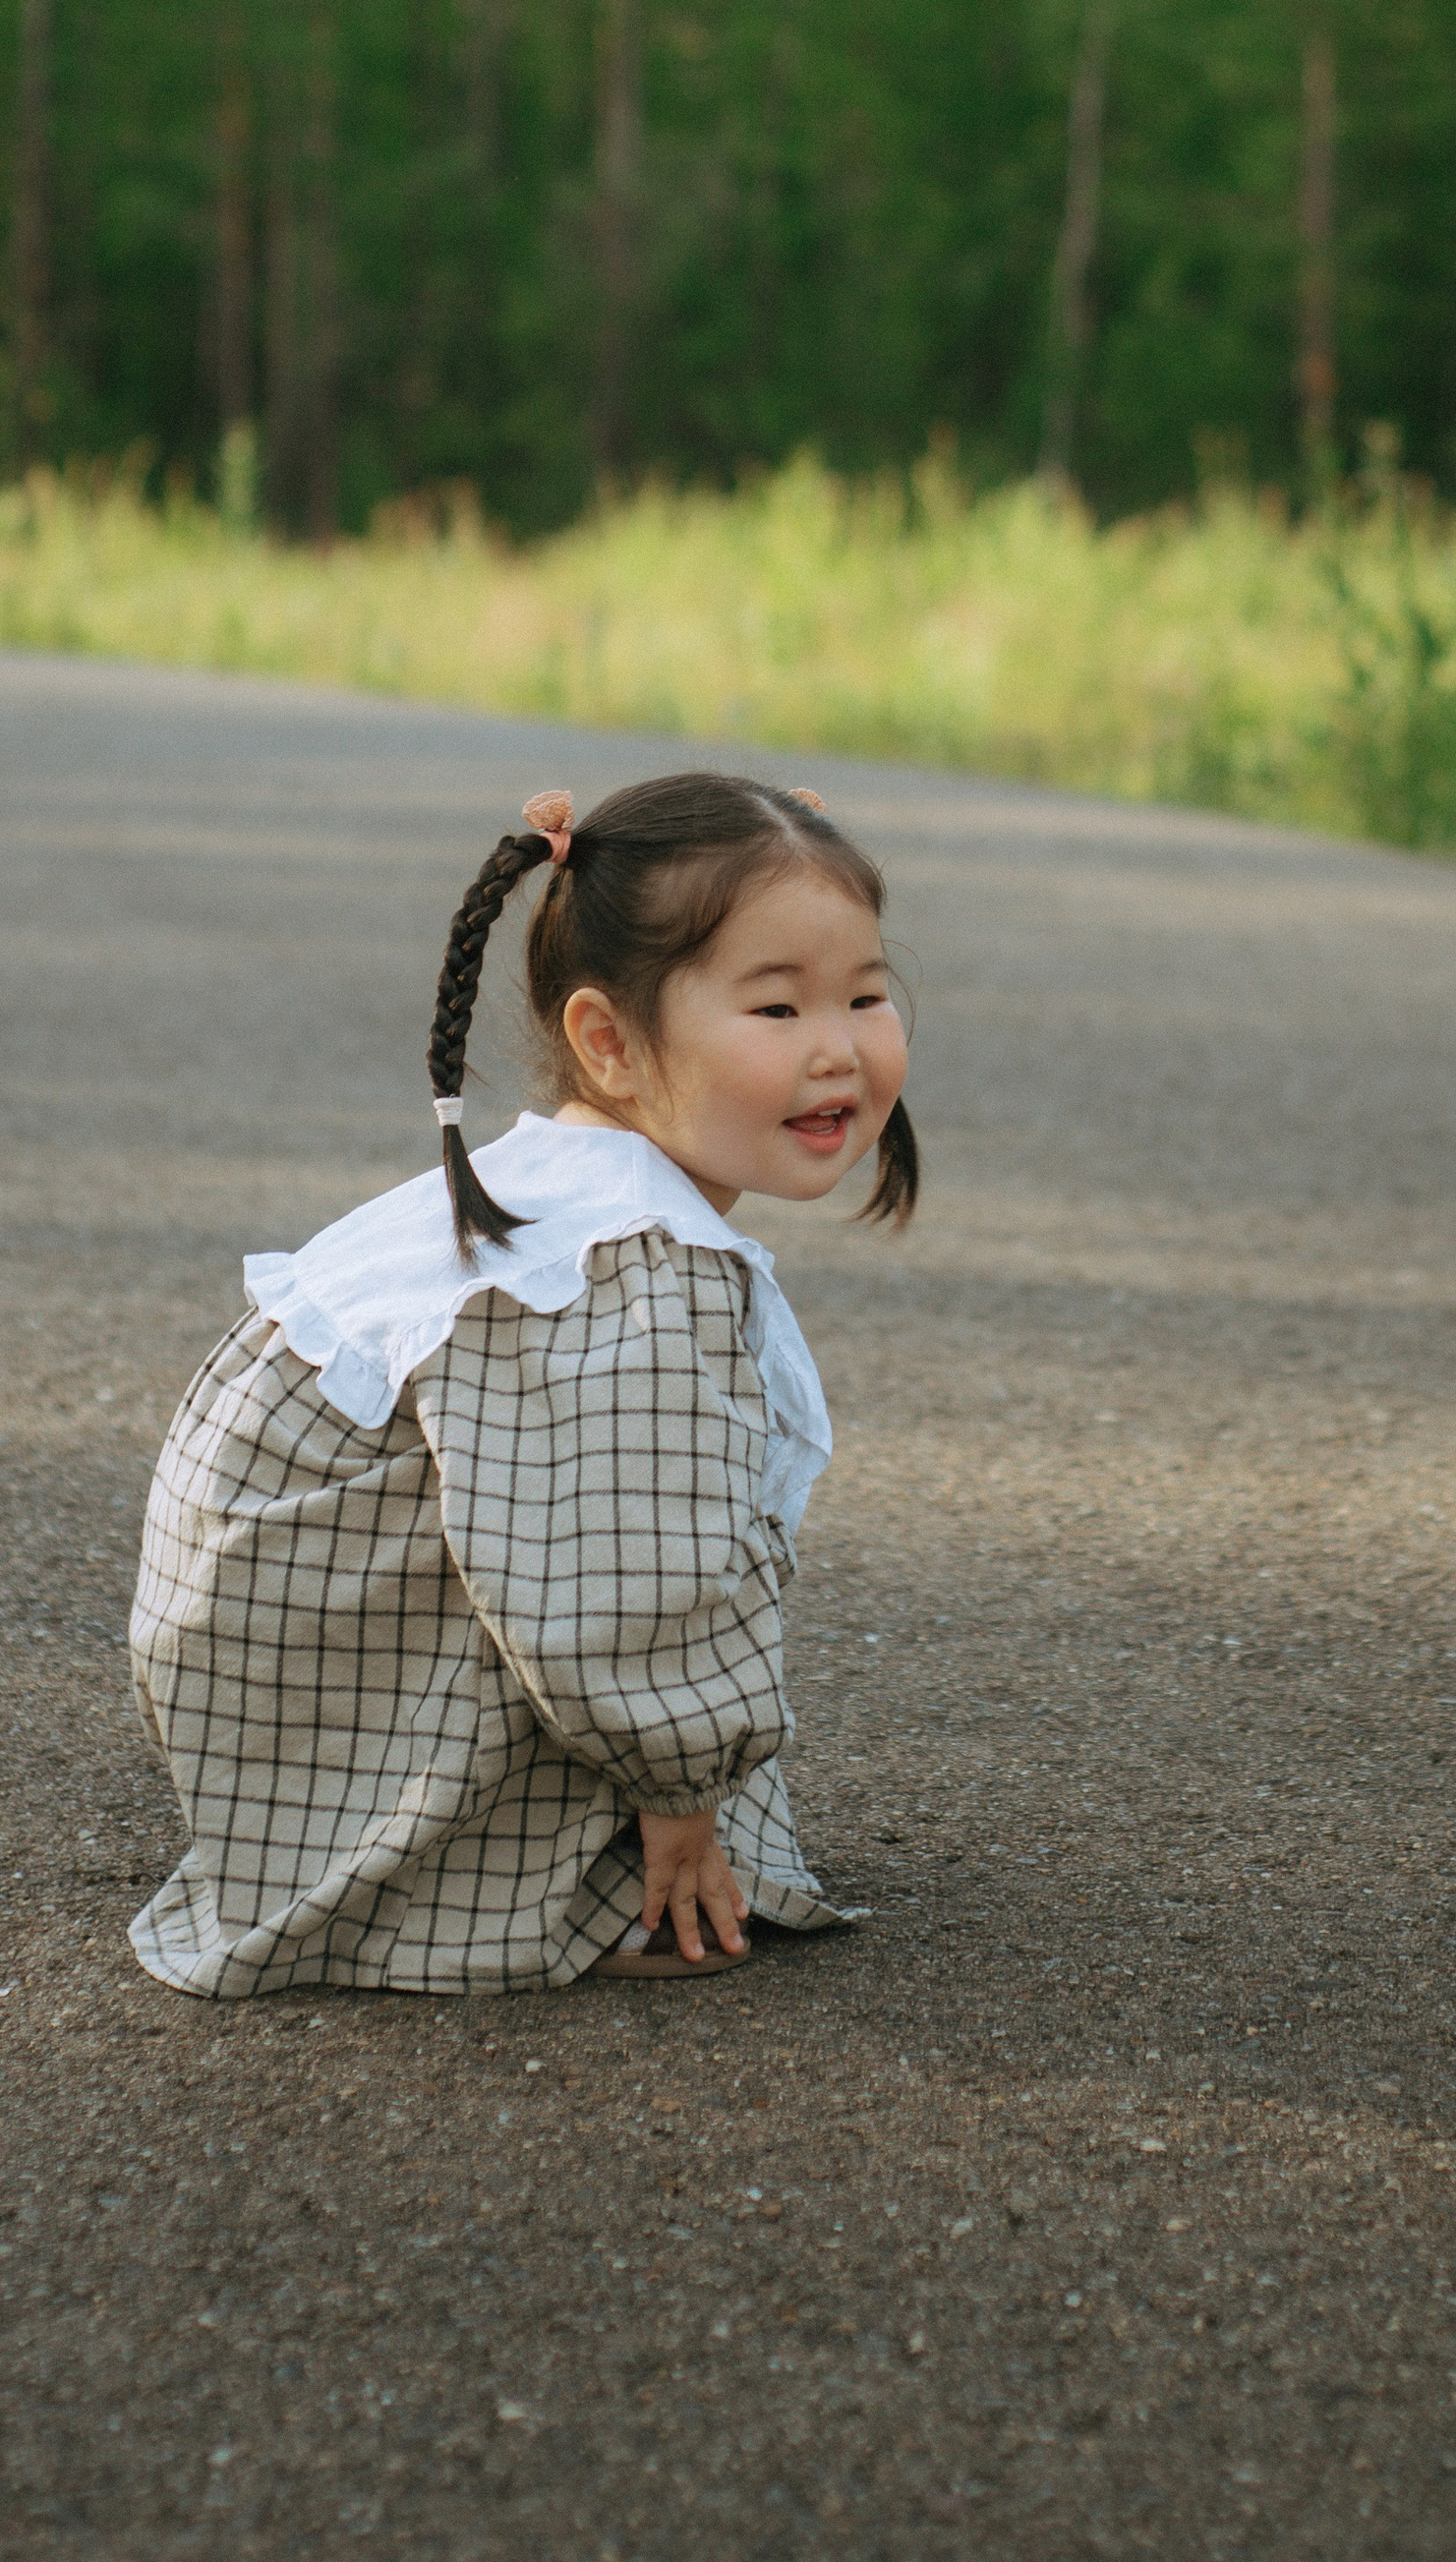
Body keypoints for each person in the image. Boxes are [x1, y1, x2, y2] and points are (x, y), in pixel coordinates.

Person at [126, 769, 917, 1997]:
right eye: (776, 1010)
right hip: (339, 1706)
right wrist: (680, 1801)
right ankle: (539, 1883)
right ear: (605, 1040)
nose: (839, 1049)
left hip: (288, 1714)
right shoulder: (615, 1269)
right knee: (634, 1579)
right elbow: (620, 1580)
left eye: (866, 996)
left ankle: (536, 1822)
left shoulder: (561, 1193)